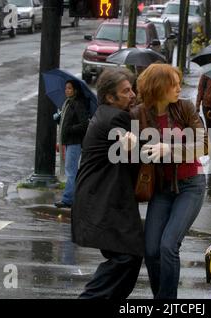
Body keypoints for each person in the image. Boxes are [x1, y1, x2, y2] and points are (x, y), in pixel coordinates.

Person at [131, 64, 208, 299]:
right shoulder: (139, 114)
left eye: (179, 83)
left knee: (168, 246)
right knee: (151, 249)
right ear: (158, 87)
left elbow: (205, 144)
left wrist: (170, 148)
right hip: (162, 189)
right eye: (173, 84)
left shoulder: (184, 108)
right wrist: (129, 142)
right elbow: (133, 153)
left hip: (191, 185)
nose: (178, 88)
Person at [71, 68, 143, 299]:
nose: (132, 94)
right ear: (110, 97)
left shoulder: (105, 113)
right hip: (103, 200)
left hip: (101, 197)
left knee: (128, 255)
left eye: (132, 88)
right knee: (126, 256)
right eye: (126, 91)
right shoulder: (116, 118)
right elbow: (135, 157)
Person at [54, 80, 90, 209]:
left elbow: (84, 124)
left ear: (75, 90)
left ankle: (68, 199)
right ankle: (72, 197)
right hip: (69, 141)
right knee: (71, 170)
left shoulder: (77, 104)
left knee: (71, 171)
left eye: (69, 88)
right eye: (66, 88)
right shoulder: (68, 103)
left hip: (75, 142)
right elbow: (67, 121)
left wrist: (69, 129)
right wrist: (60, 119)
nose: (67, 90)